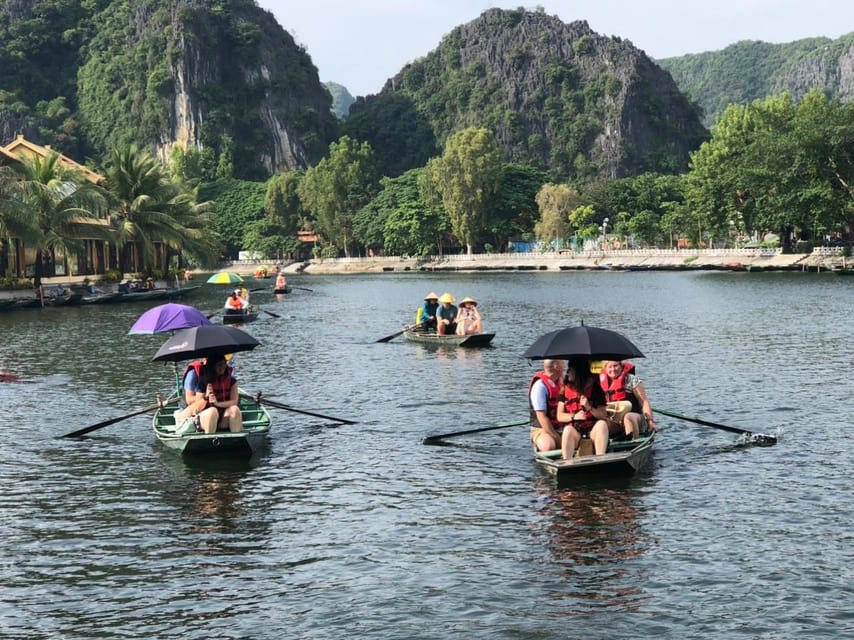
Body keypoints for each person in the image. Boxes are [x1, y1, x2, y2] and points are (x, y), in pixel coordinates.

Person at [556, 357, 609, 459]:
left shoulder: (595, 389)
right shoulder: (564, 389)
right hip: (575, 431)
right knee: (567, 430)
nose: (568, 373)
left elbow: (603, 415)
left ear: (579, 372)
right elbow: (559, 416)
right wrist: (574, 416)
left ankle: (601, 459)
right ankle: (567, 462)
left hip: (592, 430)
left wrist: (589, 408)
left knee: (602, 425)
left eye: (570, 370)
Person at [176, 356, 243, 434]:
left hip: (222, 417)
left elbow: (234, 402)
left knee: (235, 409)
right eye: (219, 365)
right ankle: (210, 440)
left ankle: (235, 439)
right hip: (205, 417)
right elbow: (197, 407)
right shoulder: (203, 381)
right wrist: (206, 397)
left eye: (224, 364)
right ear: (212, 366)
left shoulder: (231, 381)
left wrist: (217, 403)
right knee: (212, 411)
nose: (223, 367)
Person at [599, 360, 657, 439]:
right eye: (610, 367)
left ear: (621, 366)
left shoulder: (631, 379)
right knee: (601, 424)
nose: (613, 369)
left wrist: (650, 421)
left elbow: (644, 402)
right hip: (614, 420)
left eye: (616, 366)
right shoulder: (599, 382)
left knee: (628, 417)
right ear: (605, 369)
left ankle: (632, 442)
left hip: (635, 417)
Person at [529, 359, 566, 453]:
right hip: (542, 429)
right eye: (562, 362)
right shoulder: (540, 386)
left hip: (563, 425)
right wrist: (557, 439)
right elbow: (542, 417)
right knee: (548, 446)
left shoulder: (562, 382)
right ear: (556, 366)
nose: (565, 364)